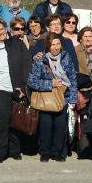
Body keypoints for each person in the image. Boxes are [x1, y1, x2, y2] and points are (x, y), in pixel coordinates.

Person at [28, 34, 78, 162]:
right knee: (46, 125)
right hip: (47, 98)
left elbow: (72, 78)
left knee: (60, 125)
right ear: (48, 46)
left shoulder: (67, 57)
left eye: (58, 44)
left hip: (63, 96)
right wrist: (50, 84)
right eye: (53, 45)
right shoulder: (40, 60)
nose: (55, 47)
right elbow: (32, 81)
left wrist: (72, 99)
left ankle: (57, 151)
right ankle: (45, 151)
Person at [0, 18, 30, 163]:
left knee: (16, 120)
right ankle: (1, 151)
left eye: (1, 29)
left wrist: (23, 87)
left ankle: (15, 150)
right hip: (0, 88)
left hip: (17, 87)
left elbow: (26, 66)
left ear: (5, 28)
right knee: (2, 120)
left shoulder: (18, 44)